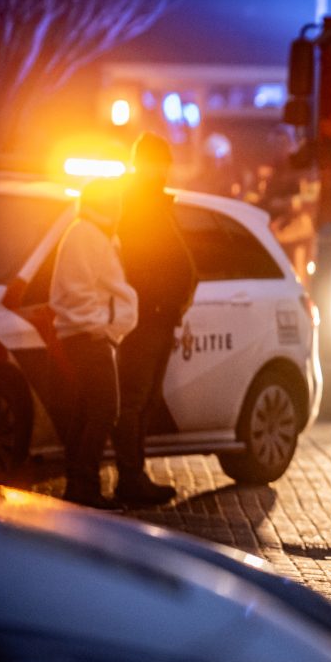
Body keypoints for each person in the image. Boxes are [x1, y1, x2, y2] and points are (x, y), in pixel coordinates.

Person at [110, 132, 199, 506]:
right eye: (160, 163)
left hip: (159, 315)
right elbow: (140, 261)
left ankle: (135, 475)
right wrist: (159, 300)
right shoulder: (135, 203)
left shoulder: (152, 202)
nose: (165, 170)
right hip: (145, 317)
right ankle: (130, 478)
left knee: (144, 400)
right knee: (133, 400)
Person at [50, 178, 138, 509]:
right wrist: (97, 326)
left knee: (88, 409)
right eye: (115, 200)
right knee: (104, 409)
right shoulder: (86, 234)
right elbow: (78, 289)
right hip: (88, 335)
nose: (120, 207)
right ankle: (83, 486)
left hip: (89, 333)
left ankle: (79, 483)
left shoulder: (93, 233)